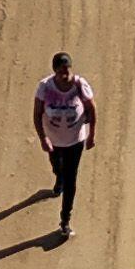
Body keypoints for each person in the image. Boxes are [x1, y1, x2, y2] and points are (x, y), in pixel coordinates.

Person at [33, 52, 98, 239]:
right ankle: (58, 178)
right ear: (54, 71)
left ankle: (65, 220)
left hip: (75, 140)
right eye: (61, 71)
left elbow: (92, 110)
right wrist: (43, 138)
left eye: (67, 70)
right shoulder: (45, 88)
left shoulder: (79, 86)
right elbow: (37, 114)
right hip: (53, 140)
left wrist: (91, 135)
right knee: (57, 167)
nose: (65, 74)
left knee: (71, 179)